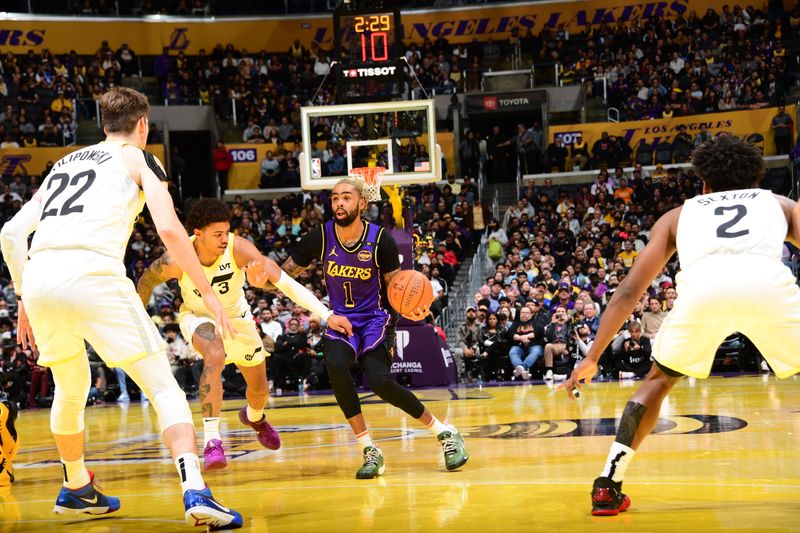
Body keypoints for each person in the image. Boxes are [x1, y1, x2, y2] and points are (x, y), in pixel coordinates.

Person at [0, 87, 242, 527]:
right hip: (92, 273)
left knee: (69, 386)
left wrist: (21, 299)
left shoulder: (62, 165)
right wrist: (208, 292)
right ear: (143, 125)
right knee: (163, 388)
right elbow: (169, 228)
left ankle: (76, 486)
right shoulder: (137, 158)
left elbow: (11, 235)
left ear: (102, 123)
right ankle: (195, 491)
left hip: (40, 279)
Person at [562, 134, 800, 516]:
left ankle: (608, 484)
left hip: (703, 291)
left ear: (703, 183)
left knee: (657, 380)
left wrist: (592, 356)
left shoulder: (678, 215)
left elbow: (628, 291)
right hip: (768, 284)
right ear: (757, 180)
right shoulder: (780, 204)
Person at [247, 179, 468, 478]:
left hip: (377, 317)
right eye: (335, 198)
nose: (339, 203)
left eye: (346, 198)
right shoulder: (320, 237)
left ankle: (444, 432)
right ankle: (369, 449)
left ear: (362, 204)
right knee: (336, 365)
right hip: (342, 319)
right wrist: (263, 278)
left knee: (379, 381)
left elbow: (397, 288)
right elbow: (286, 276)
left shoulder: (381, 240)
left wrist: (414, 307)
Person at [137, 198, 352, 470]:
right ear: (198, 235)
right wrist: (137, 319)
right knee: (214, 353)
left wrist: (327, 314)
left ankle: (255, 417)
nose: (224, 239)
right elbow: (146, 280)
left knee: (259, 390)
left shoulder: (238, 249)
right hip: (198, 316)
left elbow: (285, 283)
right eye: (217, 234)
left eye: (226, 232)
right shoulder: (176, 258)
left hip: (238, 319)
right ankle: (212, 441)